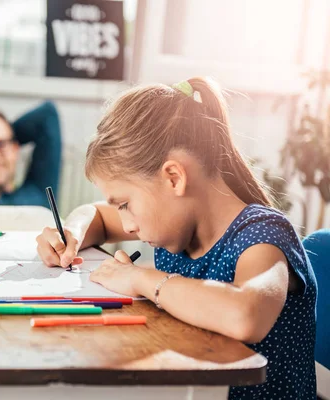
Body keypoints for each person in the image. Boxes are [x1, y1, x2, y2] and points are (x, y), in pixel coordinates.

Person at [35, 77, 317, 399]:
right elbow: (95, 214)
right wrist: (71, 233)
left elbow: (246, 315)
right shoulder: (179, 227)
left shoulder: (263, 236)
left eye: (126, 204)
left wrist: (141, 279)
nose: (126, 226)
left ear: (174, 177)